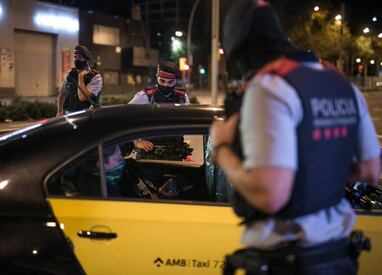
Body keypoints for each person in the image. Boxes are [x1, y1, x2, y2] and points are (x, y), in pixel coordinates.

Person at [210, 1, 381, 274]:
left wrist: (222, 148)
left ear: (243, 50)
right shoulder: (341, 85)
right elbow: (371, 170)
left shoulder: (270, 88)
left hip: (288, 261)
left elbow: (270, 196)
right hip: (339, 258)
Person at [129, 59, 190, 155]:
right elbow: (125, 118)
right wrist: (136, 141)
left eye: (170, 82)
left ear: (175, 81)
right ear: (157, 77)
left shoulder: (182, 98)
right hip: (150, 153)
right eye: (162, 81)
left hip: (175, 153)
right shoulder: (144, 96)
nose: (166, 85)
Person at [57, 45, 102, 115]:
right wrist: (59, 111)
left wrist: (80, 77)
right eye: (75, 57)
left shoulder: (95, 77)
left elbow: (82, 97)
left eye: (80, 57)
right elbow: (61, 94)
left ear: (86, 59)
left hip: (86, 115)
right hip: (68, 114)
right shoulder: (70, 74)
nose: (76, 60)